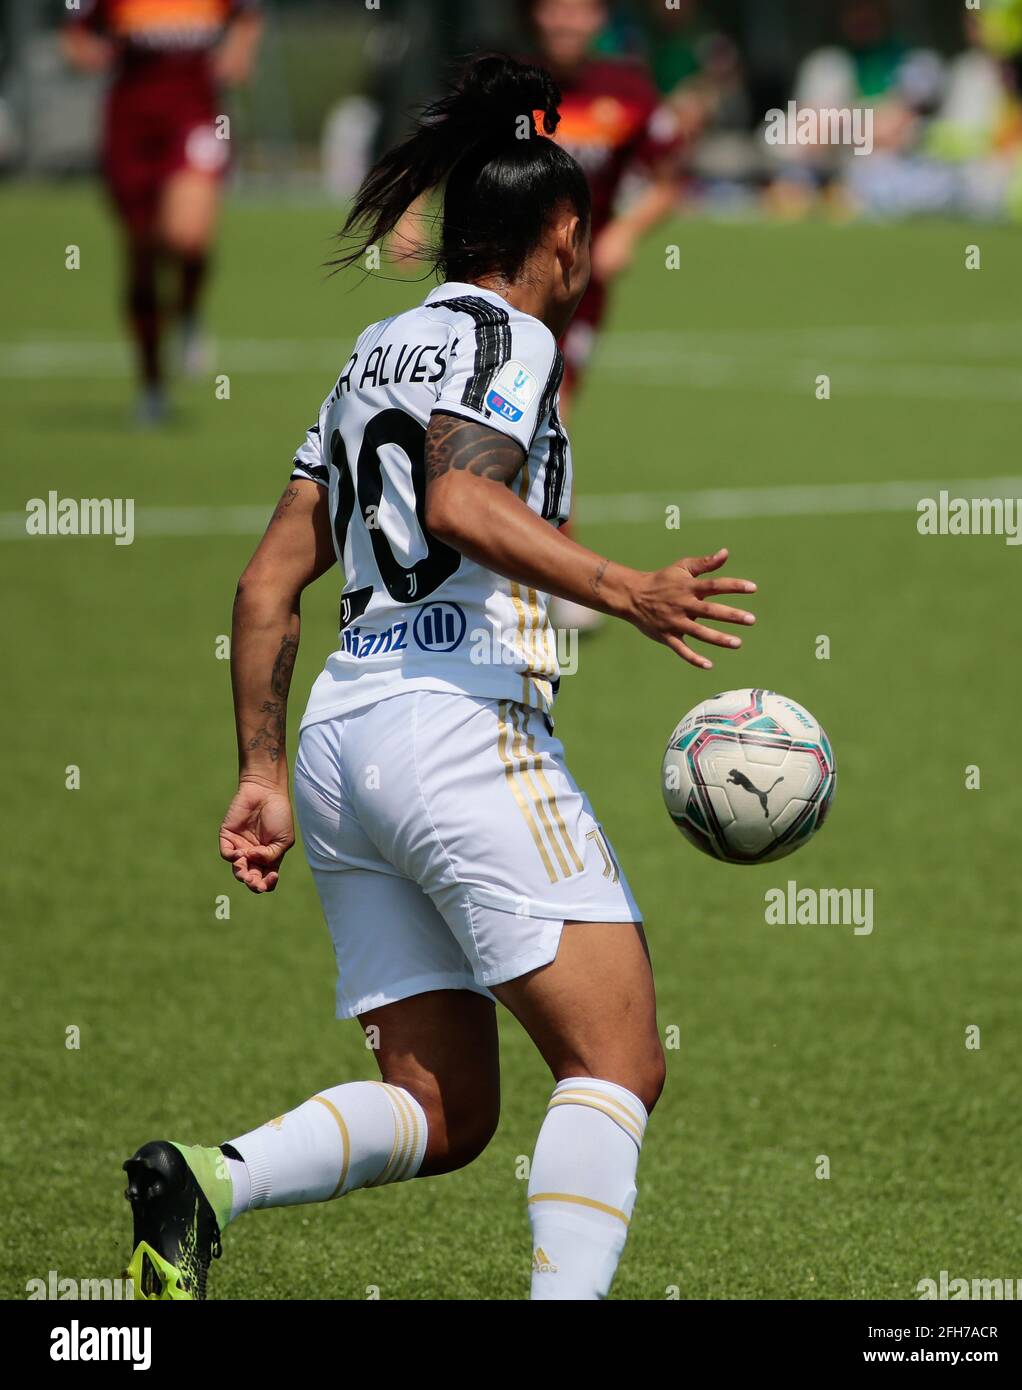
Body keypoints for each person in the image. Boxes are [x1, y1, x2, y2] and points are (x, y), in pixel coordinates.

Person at [122, 55, 757, 1303]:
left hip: (342, 741)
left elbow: (264, 586)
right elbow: (464, 497)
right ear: (562, 235)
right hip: (458, 727)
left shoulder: (374, 352)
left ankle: (210, 1179)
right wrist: (624, 587)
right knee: (619, 1059)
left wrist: (260, 769)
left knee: (446, 1103)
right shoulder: (513, 336)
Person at [523, 0, 686, 631]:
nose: (566, 21)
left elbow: (672, 178)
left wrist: (627, 231)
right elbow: (448, 154)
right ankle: (564, 576)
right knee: (534, 415)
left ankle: (556, 574)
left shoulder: (628, 89)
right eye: (554, 9)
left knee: (544, 416)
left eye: (579, 9)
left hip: (576, 289)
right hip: (499, 277)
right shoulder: (508, 83)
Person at [62, 0, 263, 424]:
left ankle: (188, 312)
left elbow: (247, 17)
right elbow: (77, 34)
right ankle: (151, 385)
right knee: (142, 257)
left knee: (188, 237)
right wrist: (88, 55)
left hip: (196, 116)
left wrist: (238, 52)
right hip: (130, 128)